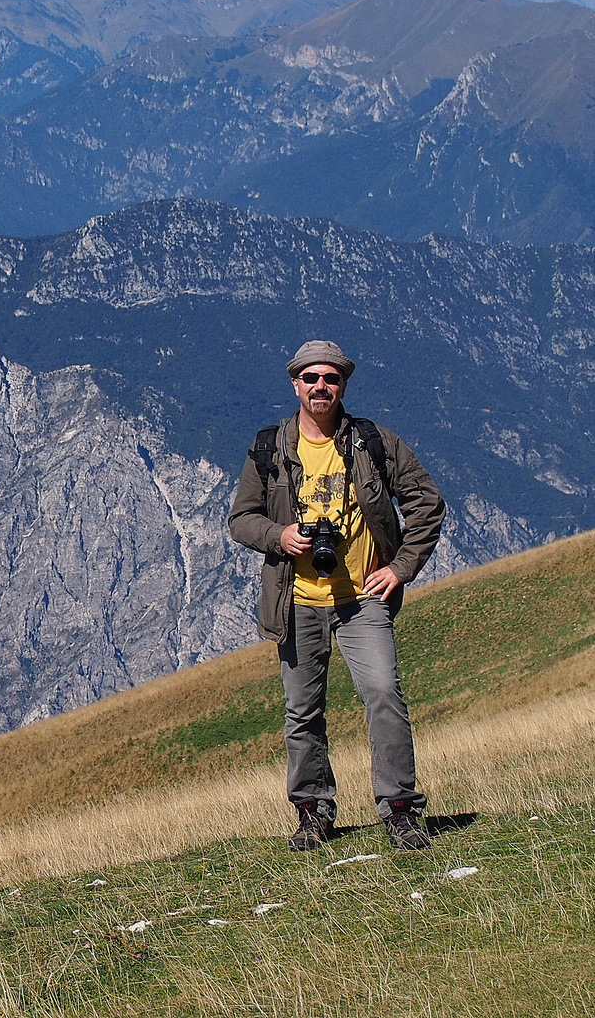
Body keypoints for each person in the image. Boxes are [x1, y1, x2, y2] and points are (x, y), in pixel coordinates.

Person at [227, 340, 446, 852]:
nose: (320, 387)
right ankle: (313, 812)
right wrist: (280, 537)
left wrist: (400, 567)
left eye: (330, 378)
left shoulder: (374, 443)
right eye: (310, 378)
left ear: (343, 385)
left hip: (362, 598)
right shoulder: (268, 449)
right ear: (295, 385)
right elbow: (241, 519)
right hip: (296, 599)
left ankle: (399, 810)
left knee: (384, 697)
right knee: (302, 711)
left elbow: (427, 504)